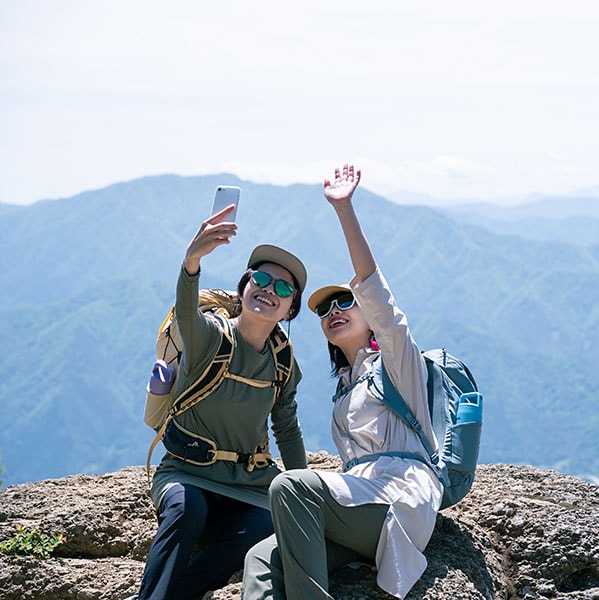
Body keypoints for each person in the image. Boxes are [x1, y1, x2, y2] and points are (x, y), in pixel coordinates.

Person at [242, 164, 443, 600]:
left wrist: (344, 209)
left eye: (344, 301)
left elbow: (378, 293)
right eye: (323, 308)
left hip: (396, 503)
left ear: (367, 314)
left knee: (291, 485)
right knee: (261, 557)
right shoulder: (346, 388)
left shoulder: (398, 363)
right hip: (358, 506)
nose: (333, 309)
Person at [132, 205, 309, 600]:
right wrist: (191, 262)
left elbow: (286, 426)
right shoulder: (209, 337)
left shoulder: (282, 361)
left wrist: (304, 490)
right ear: (244, 286)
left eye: (283, 288)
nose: (269, 289)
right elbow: (186, 309)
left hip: (248, 484)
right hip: (186, 472)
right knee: (185, 510)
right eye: (261, 279)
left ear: (291, 309)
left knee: (265, 528)